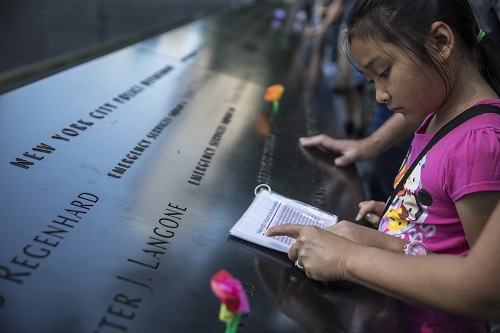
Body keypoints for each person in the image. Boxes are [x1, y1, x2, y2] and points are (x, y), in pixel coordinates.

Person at [268, 0, 500, 331]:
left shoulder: (479, 143)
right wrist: (410, 222)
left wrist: (354, 257)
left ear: (440, 43)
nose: (379, 95)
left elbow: (486, 287)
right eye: (372, 80)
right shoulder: (436, 115)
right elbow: (449, 229)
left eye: (384, 73)